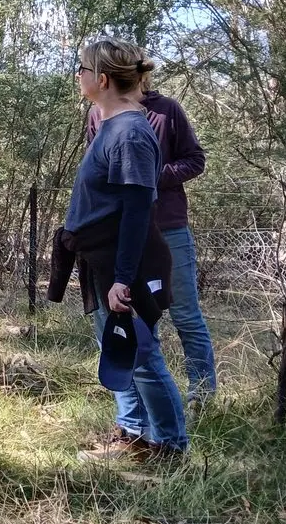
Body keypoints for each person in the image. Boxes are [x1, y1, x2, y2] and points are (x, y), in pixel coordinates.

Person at [59, 38, 187, 461]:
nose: (77, 76)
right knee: (120, 348)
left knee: (143, 354)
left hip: (122, 260)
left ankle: (170, 448)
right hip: (103, 259)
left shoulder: (131, 132)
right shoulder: (111, 124)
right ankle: (133, 437)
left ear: (101, 78)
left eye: (81, 69)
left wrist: (122, 277)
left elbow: (137, 211)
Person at [88, 81, 215, 408]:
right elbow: (96, 171)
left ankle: (201, 396)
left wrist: (150, 176)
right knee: (134, 318)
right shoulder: (97, 113)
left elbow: (195, 160)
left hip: (168, 228)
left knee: (186, 314)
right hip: (122, 235)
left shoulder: (167, 109)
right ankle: (144, 408)